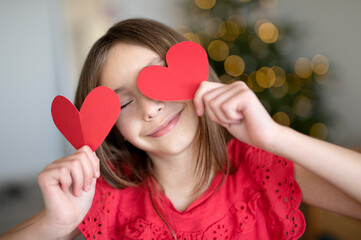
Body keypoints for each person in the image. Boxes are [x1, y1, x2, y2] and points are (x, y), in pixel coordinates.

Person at [1, 18, 361, 240]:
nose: (151, 108)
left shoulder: (262, 168)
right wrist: (55, 223)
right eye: (123, 102)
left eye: (157, 82)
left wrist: (274, 136)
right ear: (111, 127)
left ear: (195, 74)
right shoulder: (104, 199)